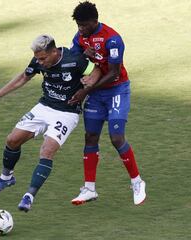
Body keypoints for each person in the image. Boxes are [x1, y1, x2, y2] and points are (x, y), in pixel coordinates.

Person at [0, 34, 101, 212]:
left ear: (54, 52)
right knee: (12, 140)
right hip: (44, 106)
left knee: (46, 151)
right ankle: (6, 178)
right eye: (37, 58)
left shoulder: (74, 59)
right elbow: (24, 77)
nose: (40, 62)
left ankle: (29, 196)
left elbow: (96, 70)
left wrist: (90, 83)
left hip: (67, 113)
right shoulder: (38, 60)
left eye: (43, 58)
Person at [68, 1, 146, 205]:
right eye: (78, 25)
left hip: (116, 90)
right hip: (96, 93)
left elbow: (112, 74)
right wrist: (82, 56)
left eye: (84, 25)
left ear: (95, 21)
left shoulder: (112, 39)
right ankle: (89, 189)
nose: (81, 30)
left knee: (116, 137)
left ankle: (137, 182)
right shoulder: (80, 37)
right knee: (91, 137)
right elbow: (73, 60)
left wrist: (86, 91)